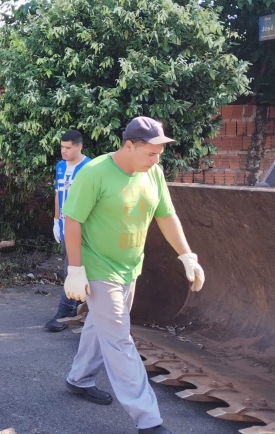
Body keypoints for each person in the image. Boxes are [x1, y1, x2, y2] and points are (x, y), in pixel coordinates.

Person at [61, 117, 205, 434]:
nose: (157, 159)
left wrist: (186, 255)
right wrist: (75, 268)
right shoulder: (95, 173)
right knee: (119, 340)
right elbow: (72, 220)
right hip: (98, 267)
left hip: (130, 267)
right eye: (150, 153)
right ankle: (149, 420)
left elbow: (167, 215)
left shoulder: (152, 172)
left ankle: (79, 378)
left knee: (101, 326)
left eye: (159, 153)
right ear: (129, 146)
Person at [45, 129, 90, 332]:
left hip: (81, 228)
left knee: (71, 269)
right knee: (71, 269)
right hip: (64, 227)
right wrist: (56, 220)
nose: (63, 151)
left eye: (68, 148)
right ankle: (76, 308)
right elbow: (57, 194)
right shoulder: (60, 166)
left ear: (79, 146)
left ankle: (65, 312)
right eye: (61, 147)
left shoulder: (89, 168)